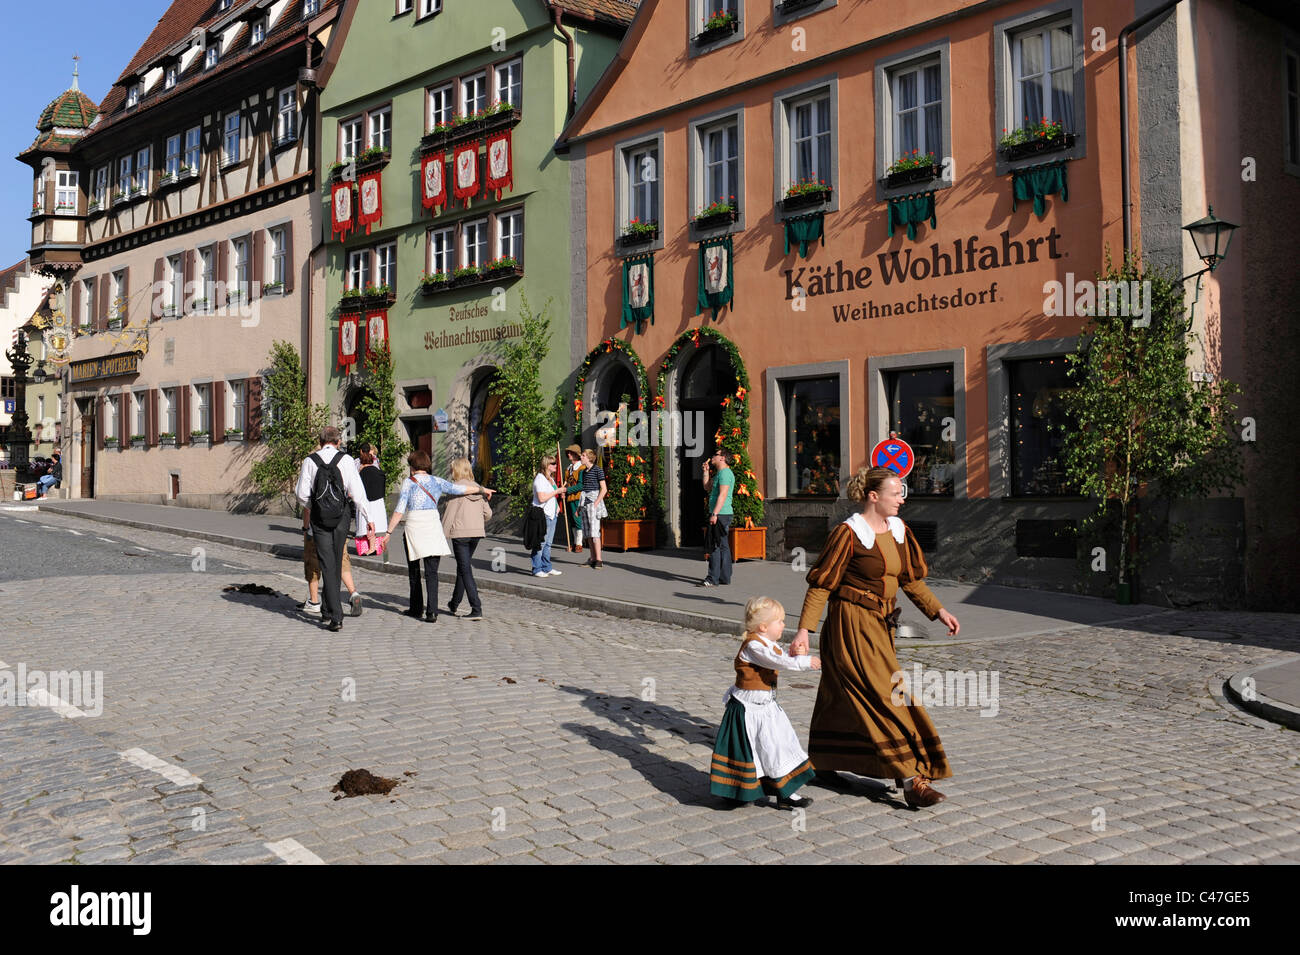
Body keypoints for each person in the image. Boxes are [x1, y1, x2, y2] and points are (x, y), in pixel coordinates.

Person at [789, 467, 961, 809]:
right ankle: (913, 779)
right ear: (873, 496)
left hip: (881, 627)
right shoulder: (849, 534)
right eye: (896, 493)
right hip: (849, 625)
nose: (902, 499)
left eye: (902, 493)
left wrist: (938, 611)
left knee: (839, 695)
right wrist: (804, 632)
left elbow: (910, 581)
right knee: (888, 696)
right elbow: (822, 585)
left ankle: (824, 759)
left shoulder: (899, 531)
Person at [710, 596, 821, 810]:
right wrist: (804, 661)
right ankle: (737, 791)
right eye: (779, 621)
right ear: (763, 626)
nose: (783, 625)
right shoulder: (753, 645)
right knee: (748, 750)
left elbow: (778, 655)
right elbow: (775, 660)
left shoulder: (767, 644)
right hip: (746, 710)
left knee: (779, 745)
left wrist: (794, 652)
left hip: (767, 709)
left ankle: (785, 791)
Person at [381, 450, 491, 622]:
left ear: (412, 466)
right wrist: (482, 489)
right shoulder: (437, 481)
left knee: (414, 570)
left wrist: (388, 532)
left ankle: (416, 608)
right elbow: (461, 489)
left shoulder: (409, 483)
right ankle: (432, 611)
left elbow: (399, 510)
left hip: (414, 526)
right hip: (432, 525)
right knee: (432, 572)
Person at [295, 426, 374, 632]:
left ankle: (334, 614)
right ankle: (329, 610)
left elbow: (301, 494)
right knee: (337, 561)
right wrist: (369, 519)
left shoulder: (309, 460)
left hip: (320, 518)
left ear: (321, 442)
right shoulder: (346, 460)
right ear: (338, 442)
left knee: (326, 562)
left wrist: (315, 507)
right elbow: (357, 492)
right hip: (341, 516)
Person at [441, 456, 492, 620]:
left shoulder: (456, 488)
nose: (450, 471)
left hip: (460, 534)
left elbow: (449, 515)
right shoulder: (478, 488)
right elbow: (488, 514)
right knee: (463, 568)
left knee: (465, 569)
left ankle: (476, 608)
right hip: (476, 533)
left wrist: (442, 536)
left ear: (456, 470)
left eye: (451, 468)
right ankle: (454, 603)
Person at [300, 505, 363, 618]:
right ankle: (353, 593)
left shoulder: (313, 486)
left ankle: (314, 601)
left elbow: (306, 505)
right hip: (339, 528)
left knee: (313, 563)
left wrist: (305, 528)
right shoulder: (342, 485)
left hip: (317, 529)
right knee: (341, 561)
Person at [700, 449, 735, 587]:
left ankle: (712, 578)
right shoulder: (720, 473)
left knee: (714, 545)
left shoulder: (725, 473)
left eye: (716, 454)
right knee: (723, 546)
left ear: (723, 458)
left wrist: (714, 514)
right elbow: (707, 487)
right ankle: (724, 577)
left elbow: (723, 494)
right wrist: (706, 471)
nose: (712, 456)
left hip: (721, 514)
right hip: (721, 514)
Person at [528, 454, 567, 577]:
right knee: (540, 543)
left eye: (555, 463)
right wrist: (557, 491)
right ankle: (537, 568)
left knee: (548, 544)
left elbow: (551, 496)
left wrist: (558, 499)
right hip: (542, 515)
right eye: (553, 464)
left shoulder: (550, 479)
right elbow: (541, 498)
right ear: (546, 465)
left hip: (552, 514)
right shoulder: (540, 479)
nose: (556, 465)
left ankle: (547, 567)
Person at [355, 443, 388, 557]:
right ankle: (379, 547)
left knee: (368, 525)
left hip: (366, 500)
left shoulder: (360, 470)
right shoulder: (377, 469)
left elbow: (357, 487)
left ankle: (372, 547)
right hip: (377, 500)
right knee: (376, 525)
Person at [578, 448, 607, 569]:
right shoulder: (584, 472)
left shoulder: (598, 470)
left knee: (595, 532)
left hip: (593, 503)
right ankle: (592, 558)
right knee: (588, 532)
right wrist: (579, 507)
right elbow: (583, 489)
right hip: (585, 504)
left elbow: (604, 489)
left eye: (583, 455)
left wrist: (596, 502)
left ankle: (599, 559)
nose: (581, 457)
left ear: (589, 457)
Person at [563, 444, 586, 553]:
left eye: (571, 452)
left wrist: (568, 490)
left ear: (576, 455)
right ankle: (573, 542)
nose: (568, 454)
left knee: (577, 520)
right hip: (569, 498)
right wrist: (564, 489)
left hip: (578, 497)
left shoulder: (581, 468)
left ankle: (579, 544)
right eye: (568, 452)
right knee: (571, 521)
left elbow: (581, 485)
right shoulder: (568, 469)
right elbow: (567, 483)